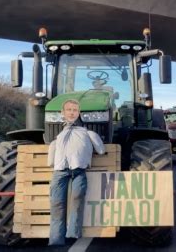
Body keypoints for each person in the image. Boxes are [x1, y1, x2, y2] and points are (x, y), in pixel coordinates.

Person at [47, 99, 105, 246]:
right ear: (63, 113)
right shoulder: (59, 136)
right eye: (68, 110)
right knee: (57, 203)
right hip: (60, 171)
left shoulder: (88, 133)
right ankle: (55, 238)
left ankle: (73, 232)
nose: (71, 113)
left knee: (77, 200)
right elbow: (52, 154)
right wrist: (52, 162)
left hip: (79, 170)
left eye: (74, 111)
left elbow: (101, 149)